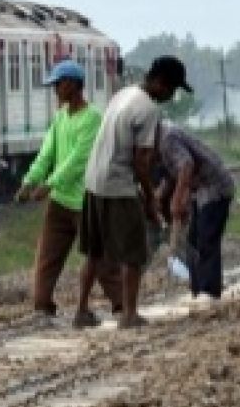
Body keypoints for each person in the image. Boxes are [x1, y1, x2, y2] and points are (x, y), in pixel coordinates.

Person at [75, 55, 189, 329]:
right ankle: (129, 314)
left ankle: (81, 311)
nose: (171, 97)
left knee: (95, 251)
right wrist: (150, 199)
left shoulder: (123, 94)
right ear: (161, 83)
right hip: (118, 185)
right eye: (172, 90)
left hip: (93, 180)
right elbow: (141, 162)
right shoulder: (148, 109)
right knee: (133, 253)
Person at [15, 59, 122, 317]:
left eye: (58, 84)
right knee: (47, 257)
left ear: (74, 85)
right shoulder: (60, 117)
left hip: (86, 201)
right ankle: (42, 305)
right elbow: (46, 154)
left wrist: (50, 184)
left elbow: (79, 159)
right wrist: (29, 181)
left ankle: (121, 303)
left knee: (101, 259)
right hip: (61, 201)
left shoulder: (93, 118)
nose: (55, 90)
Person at [155, 121, 236, 300]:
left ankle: (209, 292)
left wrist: (178, 198)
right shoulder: (157, 145)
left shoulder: (167, 138)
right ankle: (197, 290)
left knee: (206, 239)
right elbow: (172, 174)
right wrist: (160, 196)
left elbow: (186, 165)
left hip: (214, 186)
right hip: (199, 190)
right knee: (193, 240)